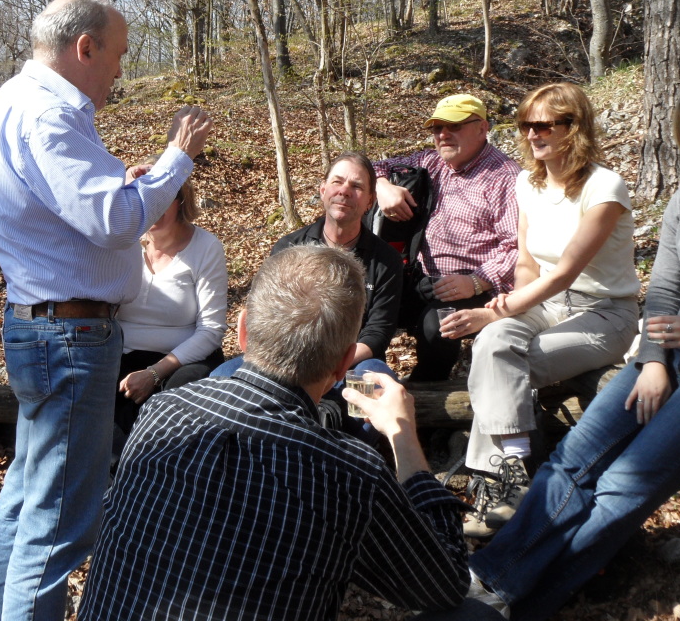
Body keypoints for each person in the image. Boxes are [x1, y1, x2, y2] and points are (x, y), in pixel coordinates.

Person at [78, 245, 504, 621]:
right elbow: (446, 583)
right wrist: (403, 434)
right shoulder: (350, 471)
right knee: (476, 614)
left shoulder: (162, 410)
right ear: (344, 364)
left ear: (242, 331)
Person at [467, 64, 680, 620]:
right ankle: (490, 579)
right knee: (571, 460)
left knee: (623, 484)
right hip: (669, 355)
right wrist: (654, 361)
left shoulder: (604, 186)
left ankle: (525, 601)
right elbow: (663, 289)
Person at [0, 0, 211, 621]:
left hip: (45, 330)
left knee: (25, 504)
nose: (121, 70)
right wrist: (176, 160)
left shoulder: (13, 102)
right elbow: (114, 219)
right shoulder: (50, 114)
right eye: (120, 54)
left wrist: (131, 187)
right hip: (69, 339)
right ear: (85, 48)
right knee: (55, 529)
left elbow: (79, 211)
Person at [444, 83, 639, 538]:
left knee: (501, 364)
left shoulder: (604, 187)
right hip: (546, 304)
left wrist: (496, 311)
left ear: (575, 127)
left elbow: (565, 272)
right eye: (526, 125)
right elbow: (528, 265)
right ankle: (512, 469)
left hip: (606, 313)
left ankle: (496, 483)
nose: (532, 134)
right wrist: (510, 318)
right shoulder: (527, 184)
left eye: (545, 125)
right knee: (494, 344)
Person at [212, 152, 403, 392]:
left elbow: (378, 333)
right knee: (221, 377)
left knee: (378, 388)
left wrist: (332, 367)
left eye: (356, 186)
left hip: (352, 364)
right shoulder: (289, 248)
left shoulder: (386, 260)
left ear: (370, 201)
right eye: (337, 181)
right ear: (323, 190)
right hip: (285, 360)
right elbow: (265, 315)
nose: (344, 191)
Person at [374, 94, 520, 381]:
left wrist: (476, 281)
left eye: (454, 126)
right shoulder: (431, 162)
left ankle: (429, 396)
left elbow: (517, 247)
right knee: (367, 304)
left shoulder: (505, 177)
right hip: (422, 277)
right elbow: (370, 166)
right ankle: (366, 379)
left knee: (437, 327)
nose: (443, 135)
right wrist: (382, 186)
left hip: (475, 288)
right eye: (437, 127)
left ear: (482, 128)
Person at [113, 156, 228, 447]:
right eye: (143, 198)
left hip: (182, 361)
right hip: (121, 356)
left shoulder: (206, 247)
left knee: (172, 400)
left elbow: (211, 330)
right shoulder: (122, 243)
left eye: (161, 198)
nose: (152, 207)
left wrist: (154, 373)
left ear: (180, 201)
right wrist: (125, 184)